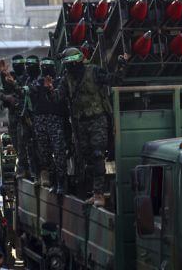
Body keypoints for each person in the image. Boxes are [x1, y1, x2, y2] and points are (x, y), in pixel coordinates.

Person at [46, 47, 126, 206]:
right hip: (80, 124)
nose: (68, 68)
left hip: (97, 120)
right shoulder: (66, 79)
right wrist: (49, 90)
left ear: (77, 62)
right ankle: (96, 193)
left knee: (97, 155)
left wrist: (121, 65)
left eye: (69, 64)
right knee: (88, 159)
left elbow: (115, 79)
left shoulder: (94, 72)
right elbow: (57, 98)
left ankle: (99, 194)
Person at [32, 57, 69, 193]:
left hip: (56, 121)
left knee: (59, 153)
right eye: (44, 67)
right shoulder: (36, 83)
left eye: (49, 67)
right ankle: (54, 180)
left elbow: (60, 98)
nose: (46, 70)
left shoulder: (60, 82)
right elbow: (25, 91)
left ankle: (61, 183)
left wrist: (51, 89)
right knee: (45, 154)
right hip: (40, 123)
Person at [15, 55, 41, 179]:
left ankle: (42, 173)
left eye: (31, 65)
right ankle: (33, 171)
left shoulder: (39, 79)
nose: (28, 68)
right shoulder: (26, 79)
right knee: (27, 146)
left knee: (40, 147)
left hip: (40, 118)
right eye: (27, 65)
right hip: (27, 117)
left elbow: (30, 89)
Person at [0, 55, 27, 151]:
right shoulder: (10, 76)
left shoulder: (28, 77)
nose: (18, 67)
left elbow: (24, 91)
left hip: (26, 114)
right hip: (13, 113)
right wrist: (3, 75)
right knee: (16, 142)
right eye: (16, 64)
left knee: (26, 142)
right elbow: (1, 93)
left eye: (20, 64)